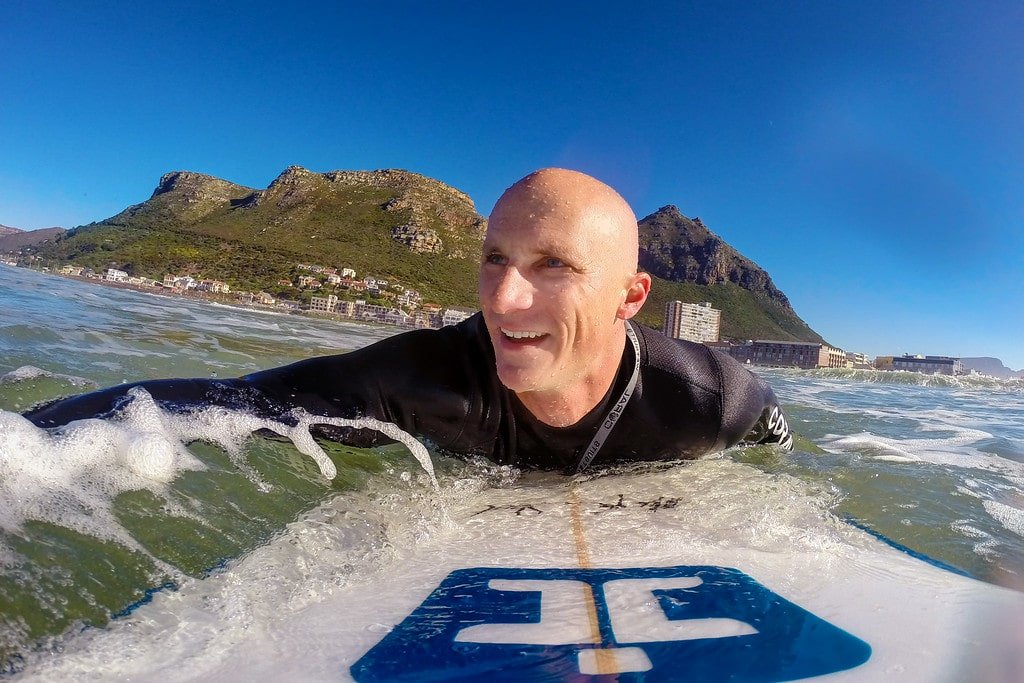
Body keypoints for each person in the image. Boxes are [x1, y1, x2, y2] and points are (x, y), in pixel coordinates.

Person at [24, 168, 793, 472]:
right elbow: (223, 400)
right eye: (495, 258)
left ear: (630, 297)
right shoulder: (427, 382)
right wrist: (19, 446)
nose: (503, 298)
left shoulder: (706, 398)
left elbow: (774, 436)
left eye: (552, 265)